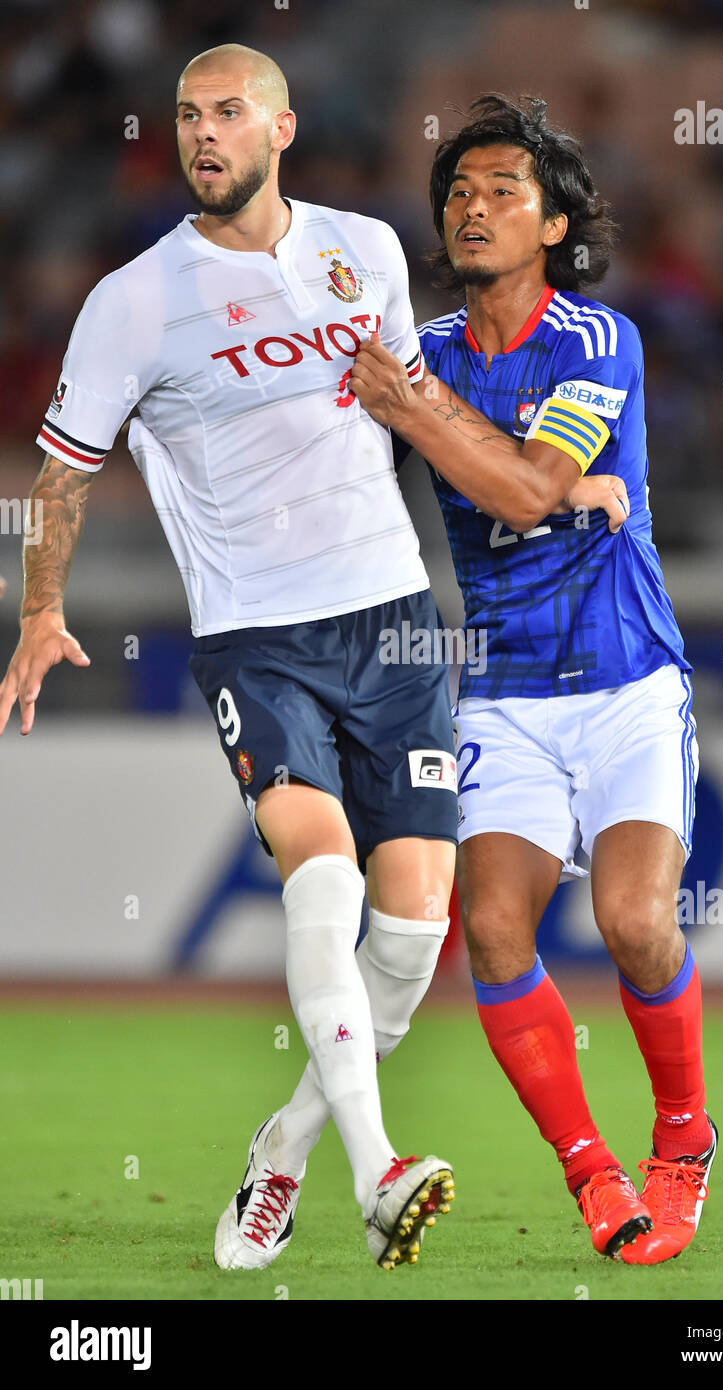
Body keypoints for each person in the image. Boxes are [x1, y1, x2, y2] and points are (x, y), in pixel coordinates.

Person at [0, 43, 467, 1274]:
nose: (200, 133)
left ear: (282, 127)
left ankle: (286, 1148)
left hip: (393, 620)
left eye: (225, 112)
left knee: (414, 938)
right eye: (184, 115)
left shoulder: (364, 250)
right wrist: (40, 606)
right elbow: (63, 470)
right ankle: (378, 1171)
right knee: (324, 881)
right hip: (259, 634)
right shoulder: (134, 301)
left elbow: (409, 408)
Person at [347, 95, 715, 1266]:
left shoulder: (594, 338)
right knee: (493, 931)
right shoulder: (430, 351)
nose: (471, 206)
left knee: (634, 923)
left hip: (622, 680)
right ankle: (593, 1174)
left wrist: (421, 413)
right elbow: (332, 448)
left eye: (502, 189)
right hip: (501, 692)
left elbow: (518, 489)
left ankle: (680, 1135)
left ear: (553, 223)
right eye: (456, 191)